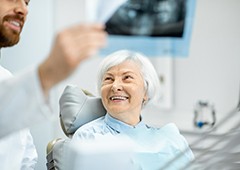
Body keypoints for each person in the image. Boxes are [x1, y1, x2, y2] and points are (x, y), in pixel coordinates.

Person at [0, 0, 107, 169]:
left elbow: (25, 157)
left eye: (27, 3)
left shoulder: (6, 78)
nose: (23, 10)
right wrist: (47, 73)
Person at [72, 50, 194, 169]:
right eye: (109, 79)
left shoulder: (171, 139)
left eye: (127, 78)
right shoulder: (89, 137)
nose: (115, 86)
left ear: (146, 91)